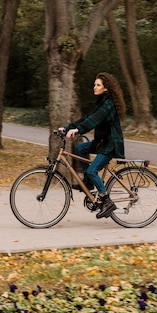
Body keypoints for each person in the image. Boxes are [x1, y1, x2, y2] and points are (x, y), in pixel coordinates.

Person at [61, 72, 126, 219]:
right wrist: (67, 128)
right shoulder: (102, 101)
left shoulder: (109, 104)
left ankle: (106, 201)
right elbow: (87, 118)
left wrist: (78, 130)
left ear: (106, 88)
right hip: (101, 143)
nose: (94, 87)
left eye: (98, 85)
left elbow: (95, 120)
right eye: (94, 85)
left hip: (110, 145)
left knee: (91, 170)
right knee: (79, 149)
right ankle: (90, 183)